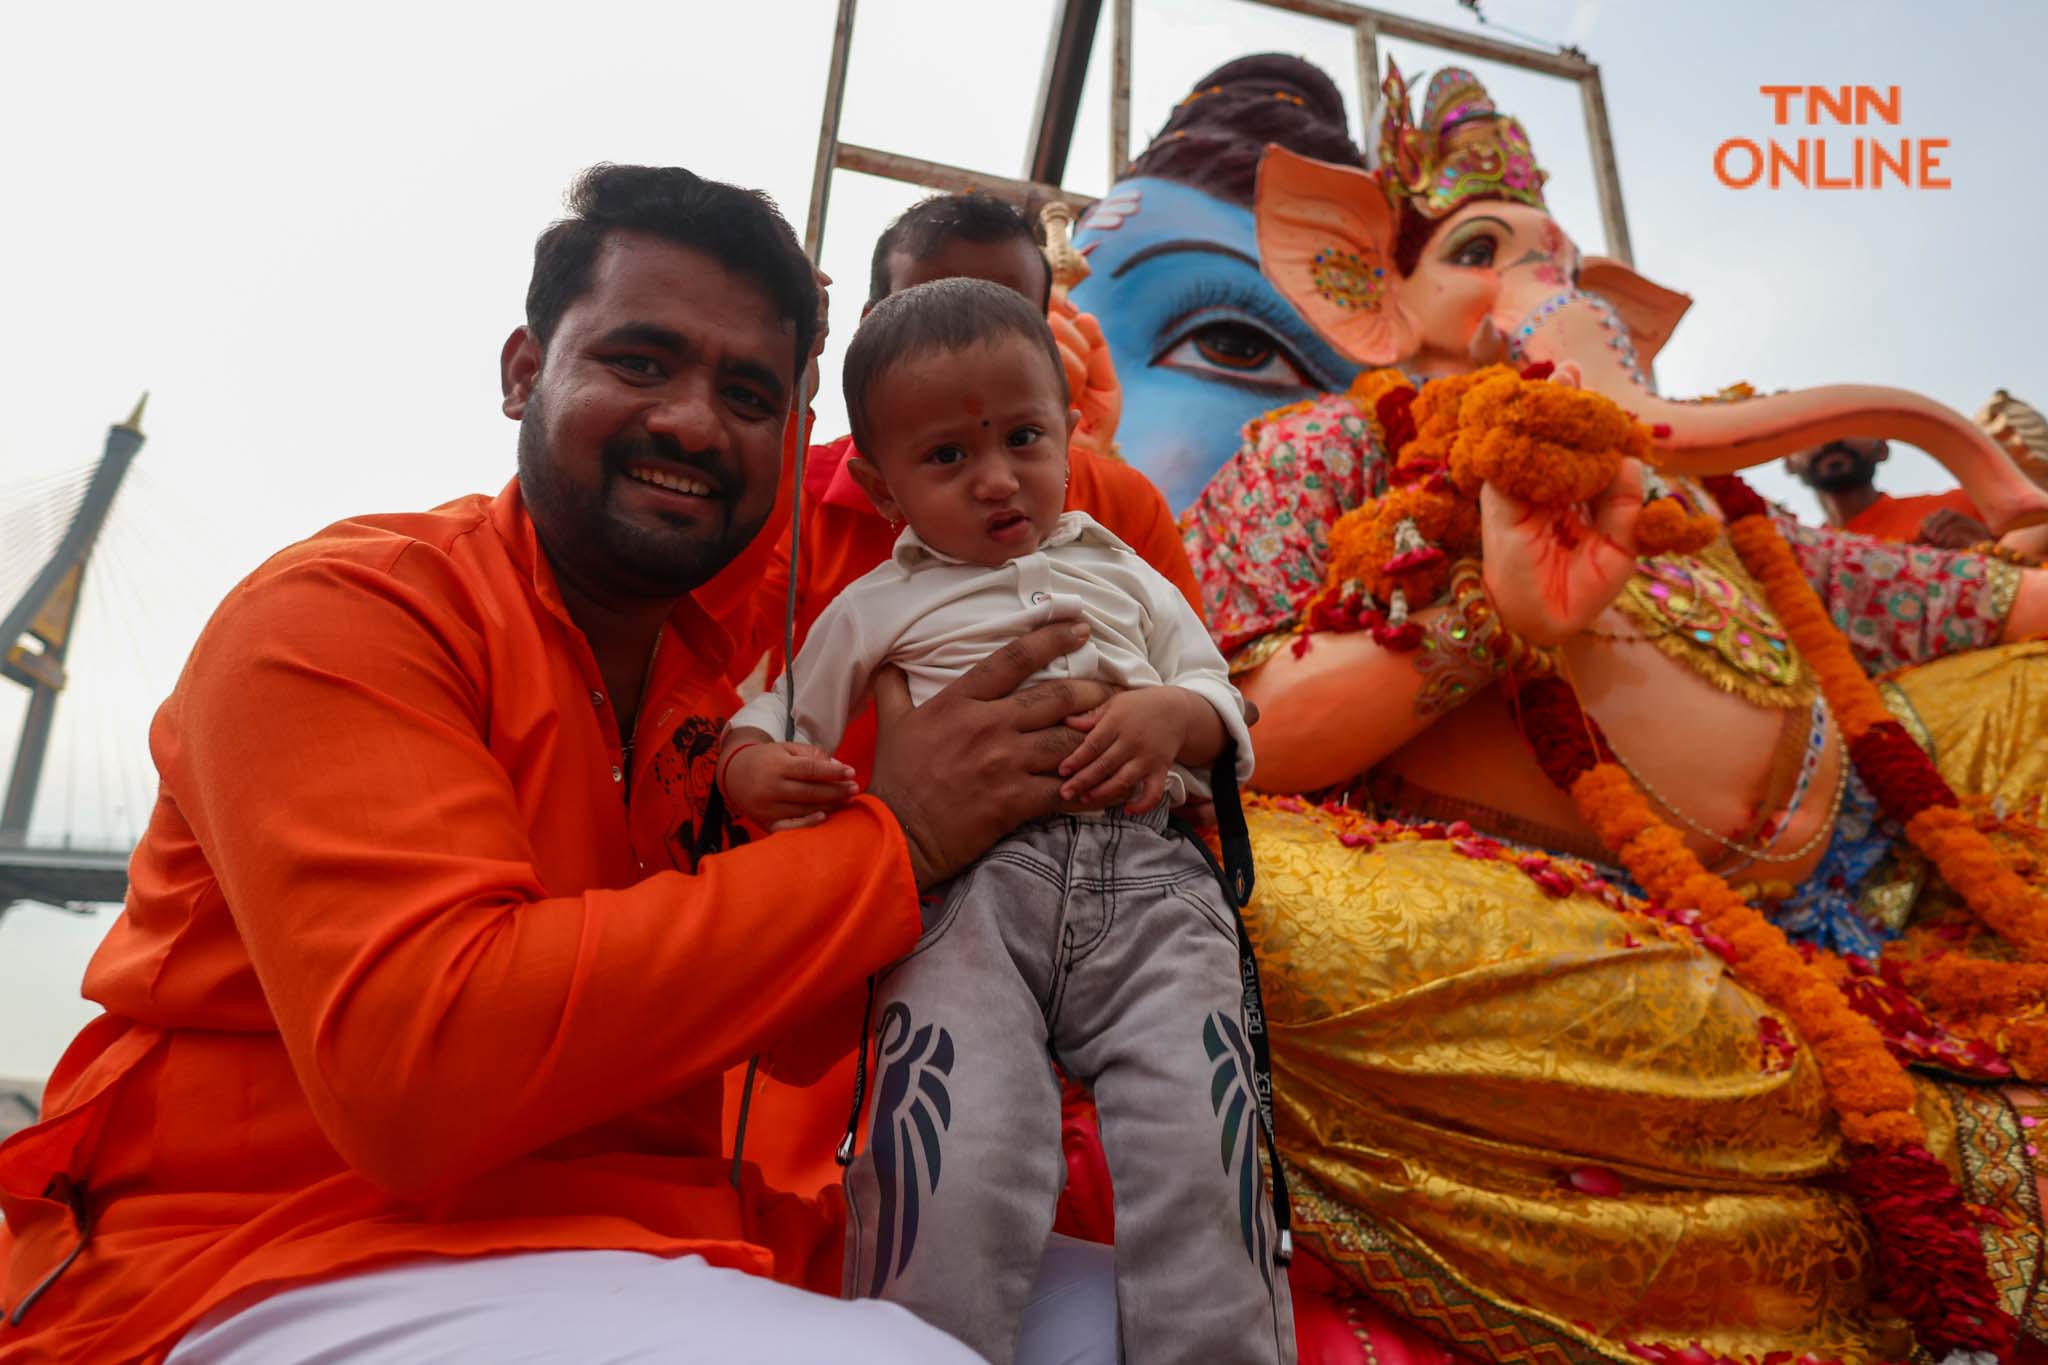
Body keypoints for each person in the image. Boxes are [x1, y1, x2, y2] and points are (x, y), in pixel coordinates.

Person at [0, 165, 1123, 1365]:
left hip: (668, 1233)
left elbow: (800, 1041)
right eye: (640, 363)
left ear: (795, 439)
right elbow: (422, 1077)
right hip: (273, 1250)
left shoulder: (736, 680)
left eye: (747, 392)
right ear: (523, 372)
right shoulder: (345, 614)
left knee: (1163, 1310)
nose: (692, 420)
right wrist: (894, 844)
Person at [718, 278, 1294, 1365]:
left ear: (1066, 431)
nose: (995, 479)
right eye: (945, 459)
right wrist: (753, 765)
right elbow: (770, 709)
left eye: (1021, 437)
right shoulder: (875, 603)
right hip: (959, 902)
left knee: (1200, 1143)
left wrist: (1170, 716)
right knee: (950, 1146)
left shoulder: (1123, 570)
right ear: (883, 490)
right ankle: (920, 1343)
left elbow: (1221, 702)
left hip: (1153, 887)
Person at [1785, 436, 1992, 547]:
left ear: (1882, 448)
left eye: (1851, 425)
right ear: (1788, 463)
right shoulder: (1796, 555)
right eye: (1808, 432)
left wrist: (1988, 551)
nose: (1830, 439)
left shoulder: (1964, 508)